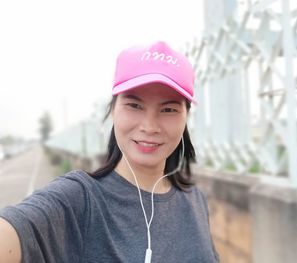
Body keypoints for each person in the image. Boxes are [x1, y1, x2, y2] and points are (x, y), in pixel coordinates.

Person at [0, 41, 219, 263]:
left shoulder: (195, 199)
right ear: (113, 110)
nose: (150, 126)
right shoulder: (80, 200)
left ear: (186, 118)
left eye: (169, 109)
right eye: (134, 105)